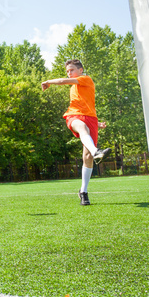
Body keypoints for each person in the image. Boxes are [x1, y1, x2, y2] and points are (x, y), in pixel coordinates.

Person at [41, 59, 109, 206]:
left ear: (80, 70)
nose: (69, 73)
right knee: (82, 128)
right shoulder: (74, 86)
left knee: (87, 157)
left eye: (71, 70)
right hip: (74, 116)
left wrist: (96, 123)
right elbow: (79, 106)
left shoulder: (85, 79)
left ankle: (83, 191)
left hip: (91, 118)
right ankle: (97, 151)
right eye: (67, 71)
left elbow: (63, 82)